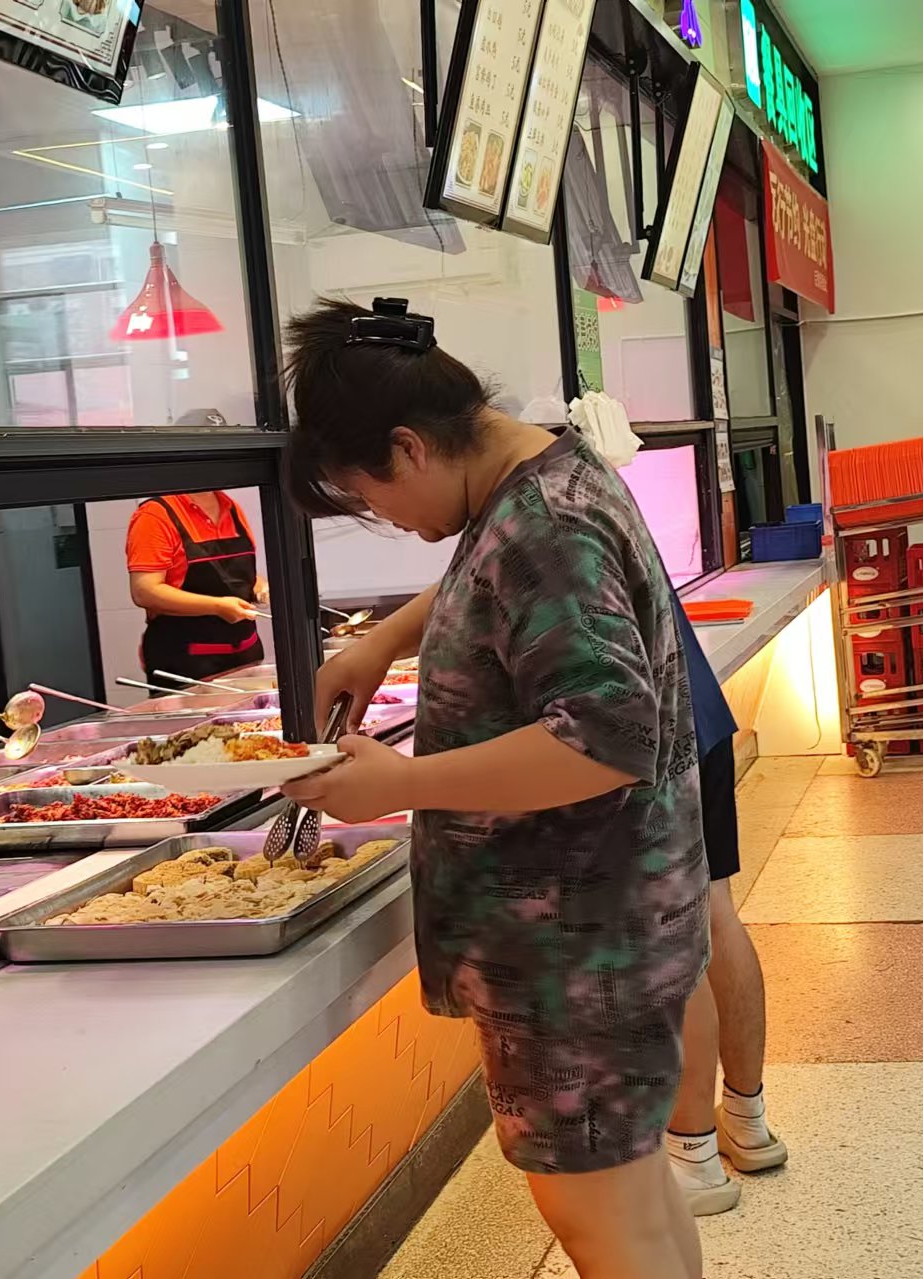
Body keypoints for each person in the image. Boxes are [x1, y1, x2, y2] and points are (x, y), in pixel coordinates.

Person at [280, 297, 710, 1279]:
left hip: (578, 943)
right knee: (632, 1202)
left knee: (603, 1219)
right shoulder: (544, 475)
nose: (392, 521)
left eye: (372, 497)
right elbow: (500, 568)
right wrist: (385, 639)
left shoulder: (542, 519)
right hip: (607, 924)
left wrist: (403, 783)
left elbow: (604, 738)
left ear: (408, 446)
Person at [663, 614, 787, 1215]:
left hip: (647, 735)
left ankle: (693, 1157)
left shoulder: (532, 544)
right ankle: (747, 1121)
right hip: (697, 712)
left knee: (670, 927)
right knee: (715, 909)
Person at [126, 491, 268, 681]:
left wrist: (260, 588)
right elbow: (144, 591)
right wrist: (217, 607)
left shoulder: (231, 506)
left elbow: (233, 574)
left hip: (247, 657)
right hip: (187, 663)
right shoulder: (154, 515)